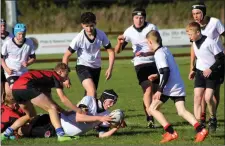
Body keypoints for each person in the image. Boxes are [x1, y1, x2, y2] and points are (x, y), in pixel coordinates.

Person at [146, 30, 208, 143]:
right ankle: (201, 130)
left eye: (147, 43)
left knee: (152, 109)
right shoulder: (165, 50)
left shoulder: (159, 53)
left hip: (169, 87)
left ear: (150, 42)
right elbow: (166, 69)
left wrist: (159, 90)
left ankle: (171, 132)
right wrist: (157, 75)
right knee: (181, 111)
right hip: (176, 84)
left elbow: (166, 71)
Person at [1, 63, 83, 142]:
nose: (66, 78)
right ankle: (61, 135)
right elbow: (63, 99)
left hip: (15, 90)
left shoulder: (46, 79)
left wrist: (64, 112)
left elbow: (51, 102)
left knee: (30, 116)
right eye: (66, 75)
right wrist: (78, 110)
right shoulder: (55, 77)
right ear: (60, 71)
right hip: (26, 86)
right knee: (52, 108)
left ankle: (5, 134)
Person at [114, 8, 159, 128]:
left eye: (141, 18)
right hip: (140, 63)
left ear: (145, 18)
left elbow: (158, 47)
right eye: (136, 18)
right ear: (132, 18)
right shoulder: (128, 31)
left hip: (155, 62)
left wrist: (147, 54)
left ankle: (151, 113)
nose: (138, 20)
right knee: (147, 89)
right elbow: (117, 51)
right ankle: (150, 118)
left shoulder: (152, 28)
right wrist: (119, 42)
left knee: (155, 93)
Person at [62, 12, 115, 99]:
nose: (89, 29)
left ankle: (81, 111)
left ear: (95, 23)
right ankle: (83, 111)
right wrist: (65, 77)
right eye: (86, 26)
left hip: (96, 68)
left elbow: (111, 52)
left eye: (91, 25)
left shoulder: (101, 35)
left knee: (90, 96)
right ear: (82, 25)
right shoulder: (79, 38)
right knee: (92, 91)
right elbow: (66, 56)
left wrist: (110, 68)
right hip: (82, 67)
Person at [190, 2, 225, 127]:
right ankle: (203, 118)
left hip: (216, 62)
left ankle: (212, 116)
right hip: (202, 66)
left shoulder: (215, 22)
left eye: (198, 13)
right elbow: (193, 47)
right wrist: (192, 67)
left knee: (213, 94)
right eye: (193, 14)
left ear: (204, 12)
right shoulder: (195, 28)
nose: (195, 16)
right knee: (201, 94)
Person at [60, 89, 126, 137]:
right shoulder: (89, 100)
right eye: (111, 102)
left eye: (114, 103)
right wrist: (100, 118)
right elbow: (79, 118)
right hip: (59, 124)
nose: (112, 105)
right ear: (104, 99)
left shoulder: (106, 115)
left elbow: (102, 136)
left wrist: (116, 127)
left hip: (66, 135)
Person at [1, 23, 36, 111]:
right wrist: (6, 69)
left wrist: (28, 63)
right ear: (15, 33)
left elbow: (33, 58)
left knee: (25, 92)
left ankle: (24, 111)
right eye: (19, 34)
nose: (21, 36)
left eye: (23, 34)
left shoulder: (29, 42)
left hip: (23, 72)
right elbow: (1, 57)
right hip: (11, 72)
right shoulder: (8, 43)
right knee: (15, 90)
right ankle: (13, 111)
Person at [1, 18, 14, 103]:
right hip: (2, 67)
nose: (2, 28)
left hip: (9, 67)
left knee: (9, 93)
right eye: (0, 26)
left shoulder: (11, 37)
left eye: (4, 26)